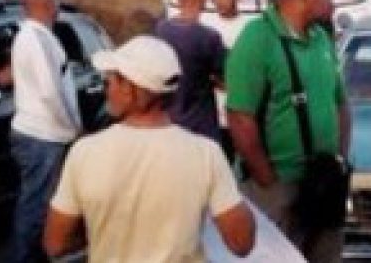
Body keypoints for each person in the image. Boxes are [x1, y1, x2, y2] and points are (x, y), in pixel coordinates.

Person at [43, 35, 256, 261]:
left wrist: (99, 229)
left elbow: (55, 244)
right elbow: (242, 242)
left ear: (129, 89)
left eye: (111, 81)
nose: (108, 89)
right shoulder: (206, 153)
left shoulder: (85, 153)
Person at [226, 0, 351, 263]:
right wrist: (267, 179)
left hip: (323, 183)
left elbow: (339, 103)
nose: (332, 0)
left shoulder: (321, 39)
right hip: (278, 187)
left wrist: (339, 160)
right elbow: (240, 116)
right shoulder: (258, 38)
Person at [10, 0, 80, 263]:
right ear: (45, 5)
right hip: (43, 135)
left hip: (45, 134)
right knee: (36, 207)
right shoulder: (34, 39)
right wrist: (71, 127)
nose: (58, 6)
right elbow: (50, 92)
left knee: (41, 204)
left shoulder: (39, 37)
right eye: (55, 1)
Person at [155, 0, 228, 143]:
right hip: (200, 129)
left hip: (166, 124)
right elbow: (226, 80)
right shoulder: (209, 37)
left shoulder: (160, 30)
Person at [201, 0, 251, 157]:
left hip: (240, 111)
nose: (219, 0)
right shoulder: (206, 25)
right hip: (211, 114)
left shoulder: (249, 26)